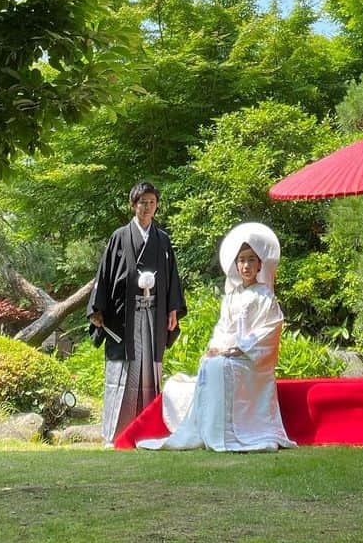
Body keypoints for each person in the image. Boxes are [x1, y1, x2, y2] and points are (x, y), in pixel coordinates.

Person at [138, 222, 295, 452]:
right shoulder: (231, 297)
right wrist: (217, 347)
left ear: (260, 264)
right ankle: (210, 431)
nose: (246, 265)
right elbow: (223, 329)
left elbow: (269, 330)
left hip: (251, 362)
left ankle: (231, 433)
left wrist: (240, 348)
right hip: (230, 355)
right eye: (241, 260)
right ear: (235, 265)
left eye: (251, 259)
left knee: (219, 367)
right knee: (210, 364)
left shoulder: (265, 297)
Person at [88, 182, 187, 443]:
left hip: (154, 313)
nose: (147, 207)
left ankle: (149, 432)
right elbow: (105, 274)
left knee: (150, 371)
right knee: (122, 371)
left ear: (156, 206)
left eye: (152, 202)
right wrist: (97, 308)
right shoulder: (120, 237)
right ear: (133, 204)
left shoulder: (162, 240)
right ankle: (117, 434)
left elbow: (171, 278)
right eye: (142, 202)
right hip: (124, 316)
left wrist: (173, 309)